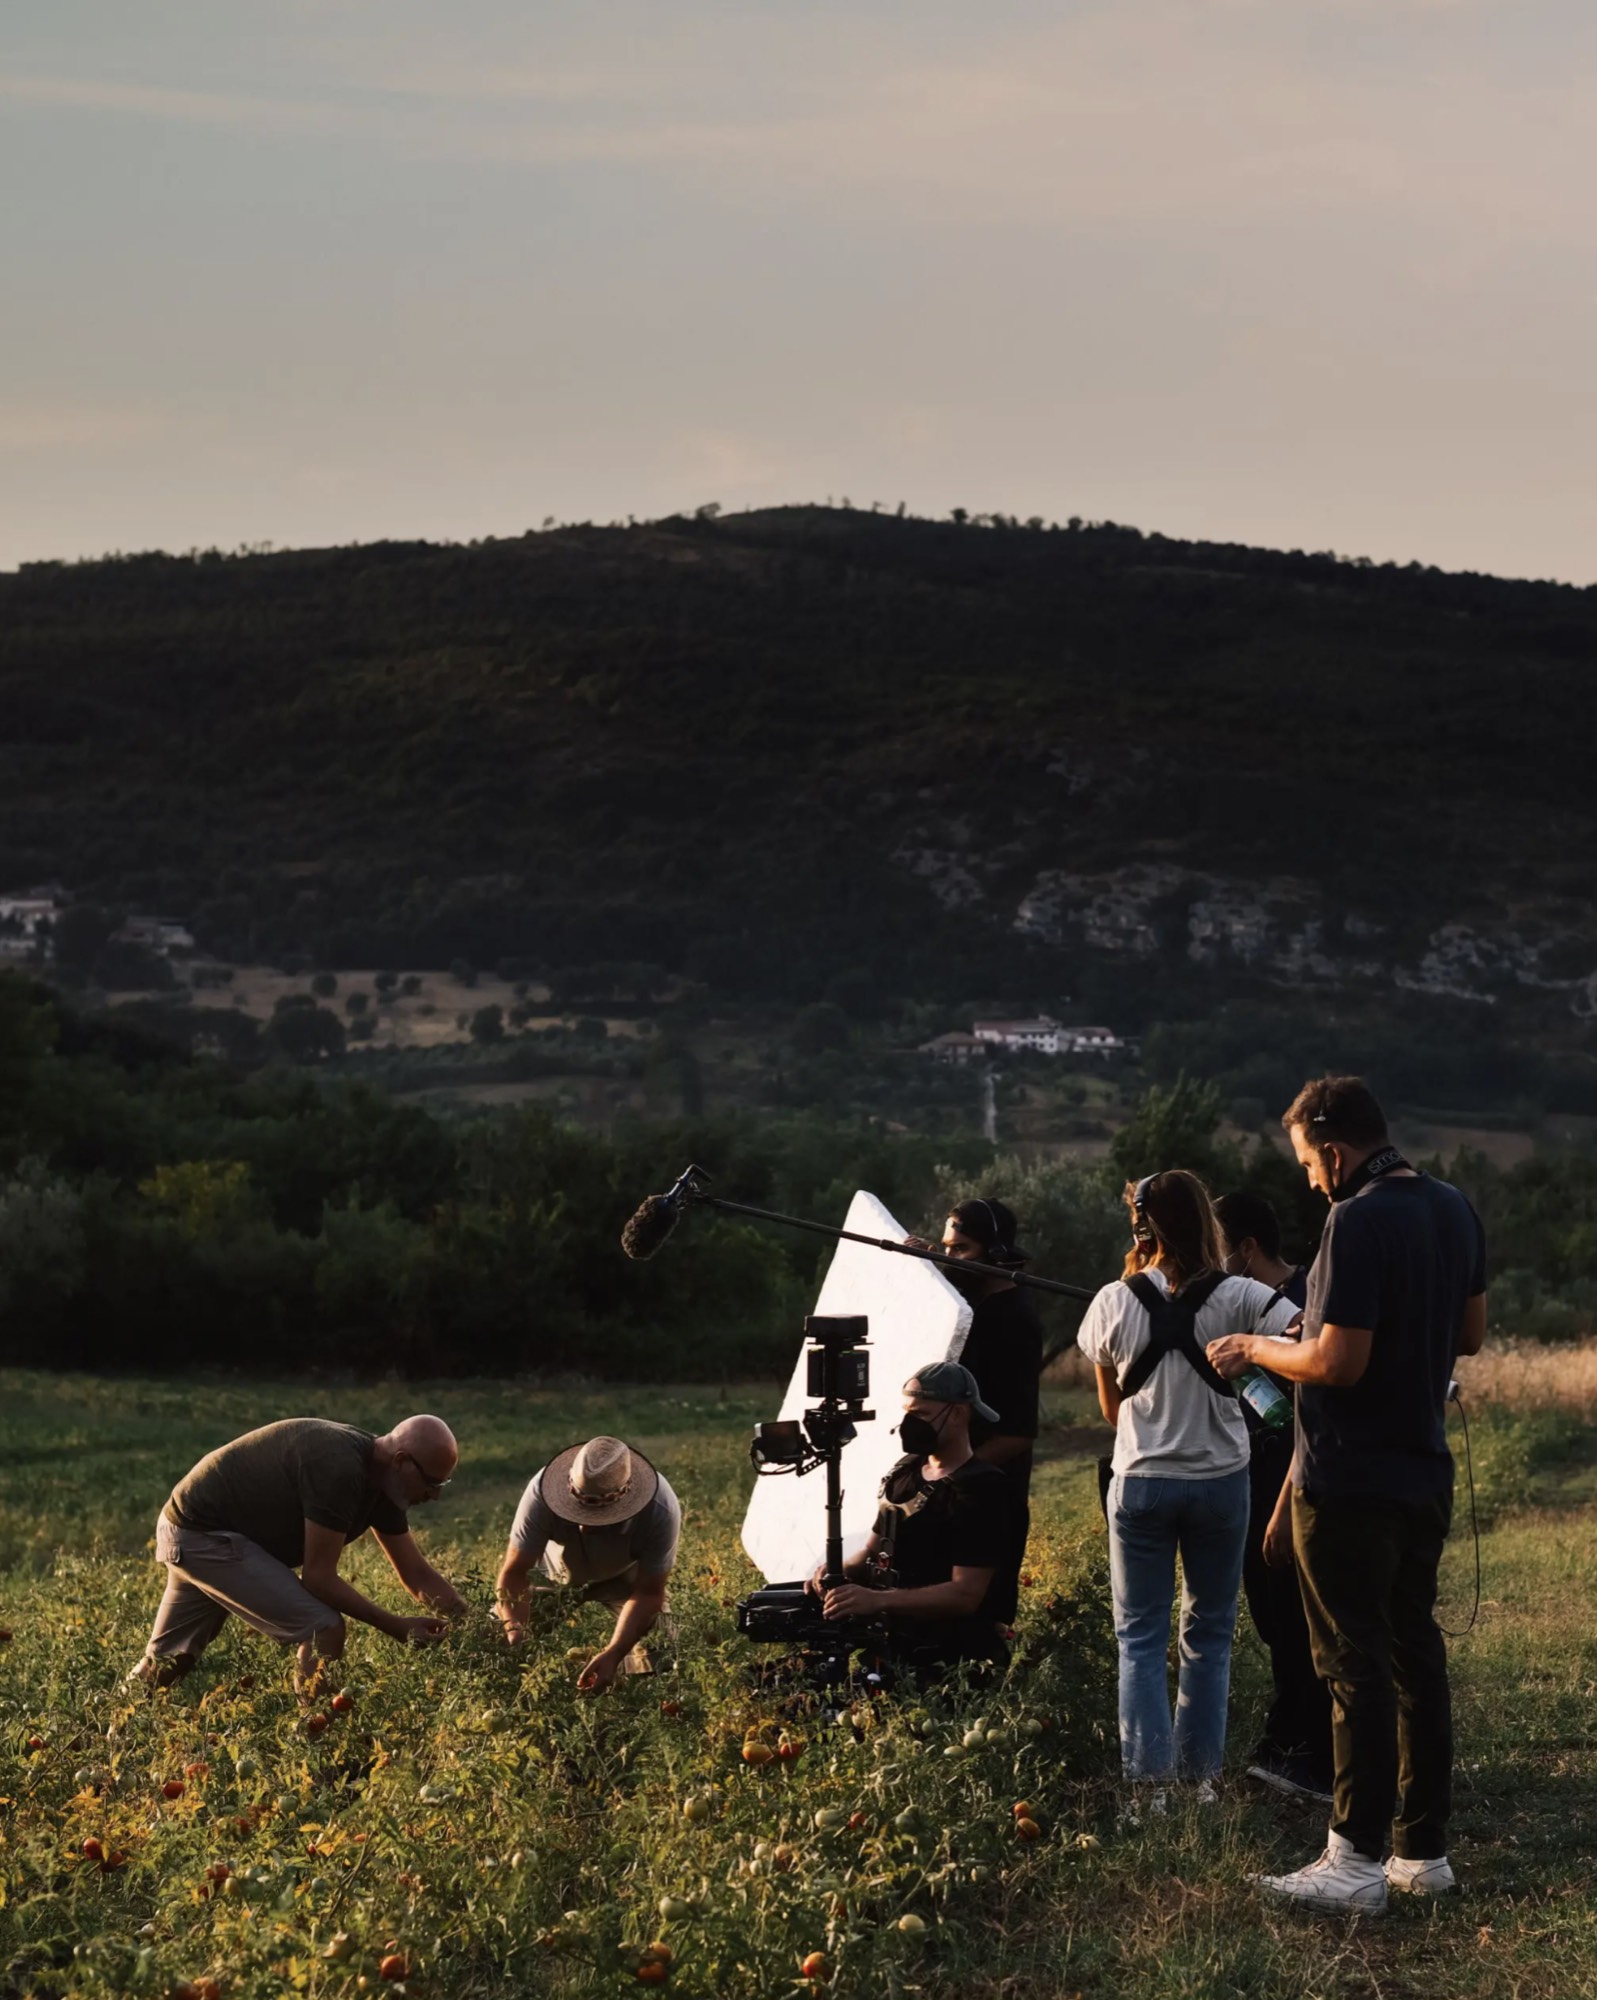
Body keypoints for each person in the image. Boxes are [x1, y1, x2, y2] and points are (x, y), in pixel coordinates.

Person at [1211, 1075, 1487, 1911]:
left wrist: (1259, 1347)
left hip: (1348, 1480)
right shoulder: (1451, 1207)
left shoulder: (1355, 1218)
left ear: (1332, 1150)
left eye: (1305, 1162)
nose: (1306, 1179)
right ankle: (1421, 1853)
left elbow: (1336, 1365)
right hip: (1420, 1471)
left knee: (1350, 1665)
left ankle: (1352, 1861)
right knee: (1413, 1653)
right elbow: (1466, 1334)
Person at [1075, 1171, 1302, 1804]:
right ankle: (1200, 1780)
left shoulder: (1111, 1301)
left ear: (1142, 1226)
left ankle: (1149, 1789)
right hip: (1220, 1484)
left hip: (1142, 1482)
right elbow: (1305, 1335)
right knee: (1208, 1634)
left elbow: (1111, 1412)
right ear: (1209, 1223)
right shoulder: (1245, 1294)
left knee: (1140, 1636)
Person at [130, 1414, 467, 1690]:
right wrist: (394, 1625)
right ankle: (318, 1753)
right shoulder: (340, 1468)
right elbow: (319, 1579)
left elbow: (416, 1574)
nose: (434, 1496)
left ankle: (110, 1727)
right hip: (202, 1532)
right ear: (402, 1461)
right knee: (324, 1628)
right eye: (432, 1483)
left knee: (170, 1659)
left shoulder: (384, 1483)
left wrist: (472, 1626)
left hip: (197, 1529)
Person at [1213, 1189, 1333, 1805]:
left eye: (1217, 1246)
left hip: (1290, 1476)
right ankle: (1295, 1742)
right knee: (1273, 1616)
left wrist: (1285, 1505)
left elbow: (1310, 1411)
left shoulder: (1298, 1305)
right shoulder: (1242, 1299)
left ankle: (1302, 1751)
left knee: (1293, 1616)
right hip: (1255, 1470)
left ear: (1247, 1249)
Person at [810, 1361, 1013, 1677]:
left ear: (957, 1414)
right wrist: (838, 1573)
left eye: (920, 1415)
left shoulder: (981, 1489)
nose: (908, 1424)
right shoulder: (904, 1472)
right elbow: (873, 1553)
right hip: (888, 1647)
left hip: (952, 1662)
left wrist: (877, 1600)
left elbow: (965, 1595)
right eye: (907, 1413)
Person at [907, 1197, 1043, 1621]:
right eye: (947, 1247)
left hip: (985, 1496)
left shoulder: (1014, 1319)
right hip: (945, 1489)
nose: (951, 1257)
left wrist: (952, 1480)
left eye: (960, 1249)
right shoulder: (965, 1300)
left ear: (996, 1252)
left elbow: (1018, 1432)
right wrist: (926, 1268)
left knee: (980, 1620)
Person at [495, 1436, 681, 1692]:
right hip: (553, 1575)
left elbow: (649, 1592)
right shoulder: (541, 1492)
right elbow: (516, 1573)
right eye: (577, 1511)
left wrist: (614, 1652)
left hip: (624, 1578)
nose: (583, 1526)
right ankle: (507, 1696)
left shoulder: (660, 1509)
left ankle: (637, 1707)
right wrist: (515, 1629)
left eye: (598, 1516)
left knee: (661, 1647)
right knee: (494, 1637)